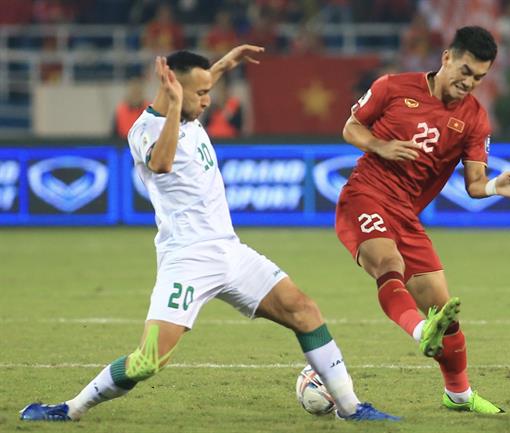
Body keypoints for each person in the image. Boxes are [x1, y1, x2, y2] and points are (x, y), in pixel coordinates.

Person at [19, 46, 398, 423]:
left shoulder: (188, 106)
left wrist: (224, 63)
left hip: (230, 252)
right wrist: (171, 106)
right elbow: (162, 163)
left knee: (304, 310)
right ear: (175, 93)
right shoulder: (146, 129)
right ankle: (70, 409)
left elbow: (197, 87)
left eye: (207, 90)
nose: (208, 100)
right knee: (148, 361)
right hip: (187, 260)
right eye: (200, 93)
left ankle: (351, 408)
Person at [335, 26, 510, 415]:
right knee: (388, 265)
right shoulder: (392, 87)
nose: (469, 82)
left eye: (478, 77)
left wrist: (496, 186)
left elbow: (474, 186)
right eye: (464, 71)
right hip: (365, 195)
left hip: (407, 217)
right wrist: (381, 146)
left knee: (445, 314)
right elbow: (350, 128)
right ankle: (417, 330)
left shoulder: (475, 119)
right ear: (446, 58)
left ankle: (458, 395)